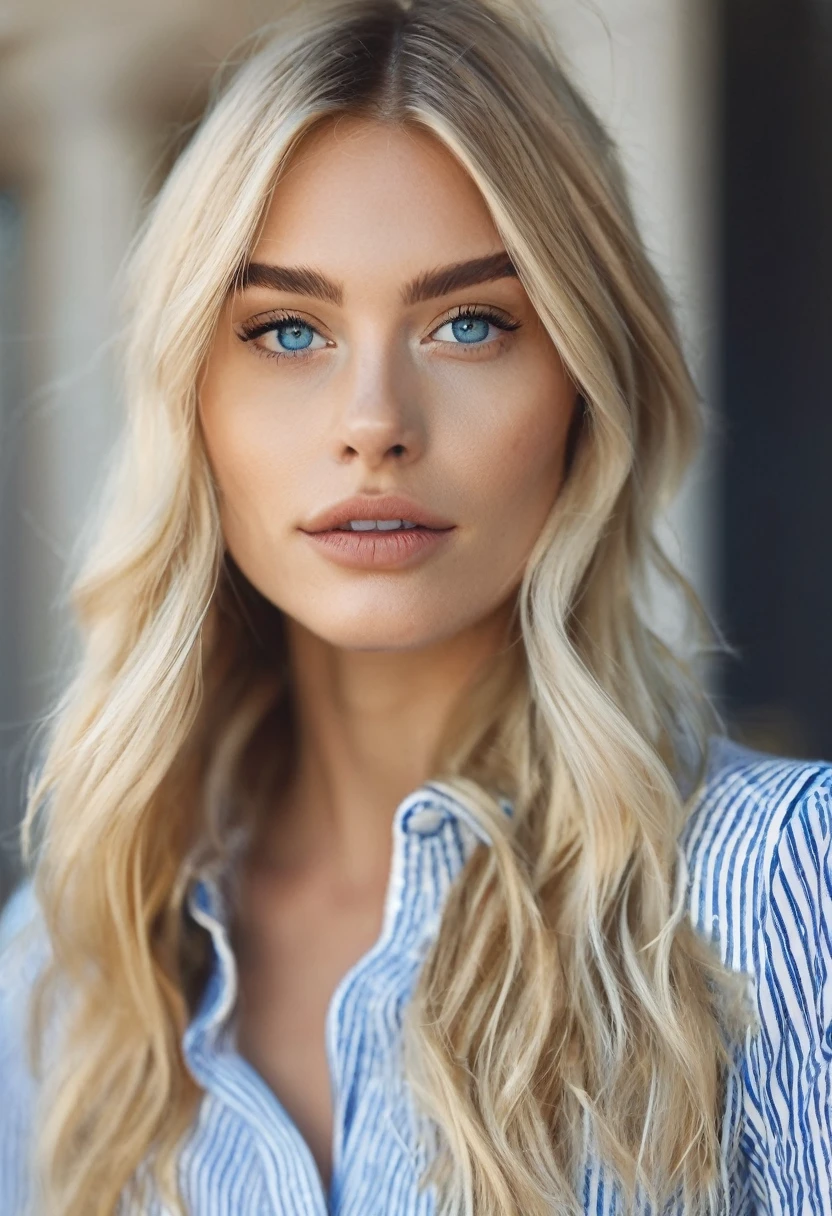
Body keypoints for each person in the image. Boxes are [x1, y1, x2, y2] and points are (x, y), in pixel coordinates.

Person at [1, 0, 830, 1213]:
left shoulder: (776, 891)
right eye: (288, 329)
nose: (374, 421)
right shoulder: (67, 968)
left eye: (470, 323)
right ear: (194, 403)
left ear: (582, 391)